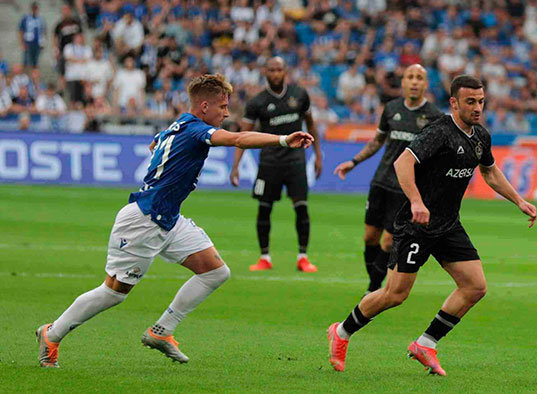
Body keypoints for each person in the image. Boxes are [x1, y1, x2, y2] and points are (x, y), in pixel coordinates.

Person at [35, 73, 314, 368]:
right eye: (223, 106)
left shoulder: (179, 124)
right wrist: (283, 139)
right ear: (204, 106)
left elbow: (155, 144)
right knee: (113, 293)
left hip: (168, 218)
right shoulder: (196, 130)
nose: (227, 113)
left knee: (216, 272)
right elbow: (237, 138)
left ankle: (162, 330)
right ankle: (51, 334)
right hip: (144, 220)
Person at [327, 75, 537, 375]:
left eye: (481, 101)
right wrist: (416, 201)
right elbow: (402, 163)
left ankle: (426, 344)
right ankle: (341, 332)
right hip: (417, 225)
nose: (477, 108)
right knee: (395, 294)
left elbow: (489, 172)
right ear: (454, 103)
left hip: (448, 225)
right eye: (470, 102)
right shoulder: (439, 132)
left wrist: (519, 201)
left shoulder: (480, 136)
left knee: (475, 287)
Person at [333, 64, 444, 294]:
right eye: (410, 77)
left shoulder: (435, 117)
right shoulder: (392, 109)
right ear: (403, 82)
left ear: (425, 84)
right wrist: (354, 162)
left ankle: (372, 289)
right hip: (381, 181)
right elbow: (377, 141)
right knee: (370, 237)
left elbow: (437, 157)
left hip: (405, 188)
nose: (414, 81)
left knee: (388, 241)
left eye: (419, 78)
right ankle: (375, 284)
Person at [230, 57, 322, 273]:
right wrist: (235, 166)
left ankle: (303, 257)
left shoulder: (300, 95)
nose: (275, 74)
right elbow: (243, 135)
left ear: (285, 71)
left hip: (295, 160)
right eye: (271, 70)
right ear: (266, 72)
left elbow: (311, 126)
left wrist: (318, 155)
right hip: (269, 161)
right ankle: (264, 257)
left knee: (301, 207)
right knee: (264, 208)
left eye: (279, 69)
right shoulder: (257, 102)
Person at [18, 2, 46, 69]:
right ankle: (26, 74)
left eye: (36, 8)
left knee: (35, 63)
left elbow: (43, 31)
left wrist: (43, 42)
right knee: (26, 62)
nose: (35, 10)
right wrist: (21, 43)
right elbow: (21, 31)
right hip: (28, 43)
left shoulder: (40, 18)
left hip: (37, 44)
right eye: (34, 8)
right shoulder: (26, 18)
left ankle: (34, 74)